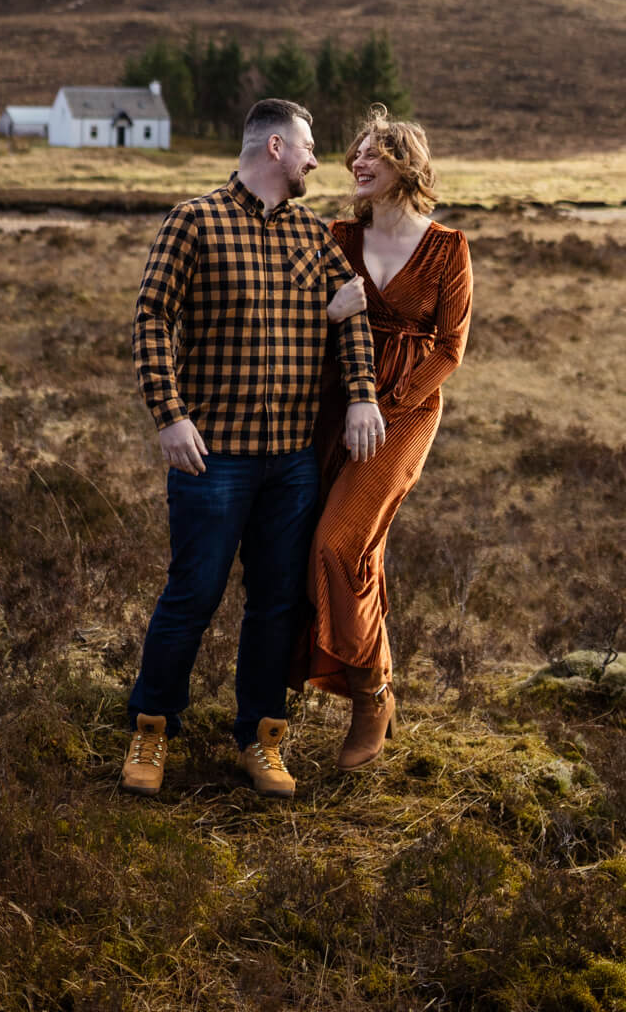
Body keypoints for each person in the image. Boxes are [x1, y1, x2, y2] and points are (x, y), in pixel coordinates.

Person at [122, 97, 385, 800]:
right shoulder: (195, 220)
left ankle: (261, 739)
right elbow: (151, 317)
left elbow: (352, 313)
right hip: (214, 458)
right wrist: (168, 415)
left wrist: (361, 392)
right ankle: (151, 731)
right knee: (193, 594)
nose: (315, 161)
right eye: (307, 148)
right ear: (273, 147)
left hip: (291, 462)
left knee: (275, 605)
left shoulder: (310, 235)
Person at [305, 105, 472, 769]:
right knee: (347, 551)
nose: (356, 162)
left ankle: (371, 692)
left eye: (373, 152)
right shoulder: (336, 236)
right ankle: (359, 680)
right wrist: (330, 327)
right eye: (354, 153)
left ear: (407, 166)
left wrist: (381, 403)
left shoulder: (447, 247)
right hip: (328, 405)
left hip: (402, 414)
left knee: (337, 542)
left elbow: (451, 350)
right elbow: (301, 316)